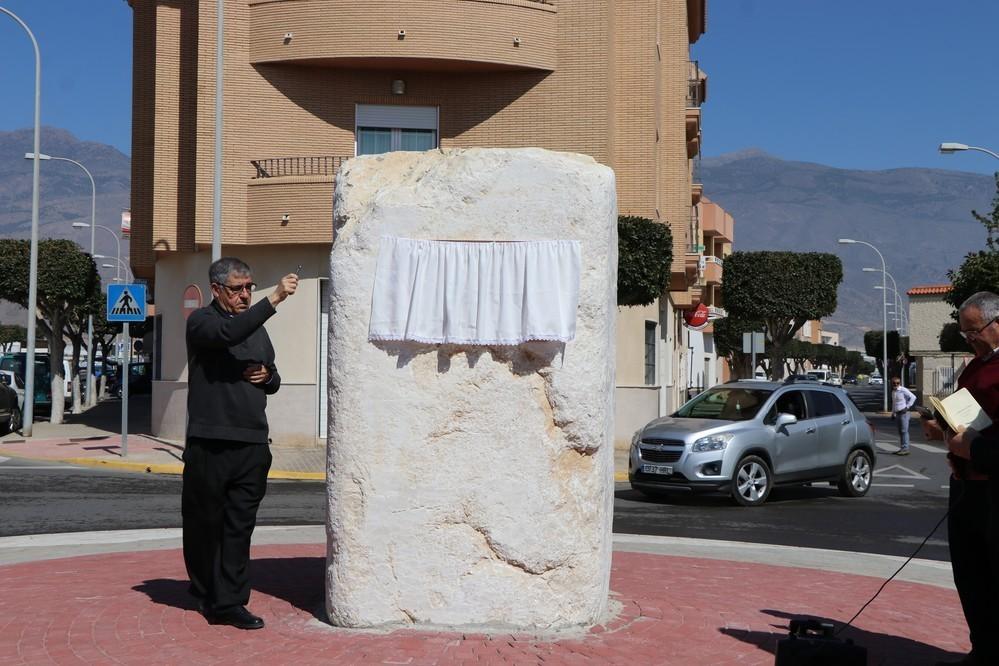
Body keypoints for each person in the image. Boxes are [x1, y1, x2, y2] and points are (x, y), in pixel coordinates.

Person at [182, 257, 298, 630]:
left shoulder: (257, 329)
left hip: (251, 445)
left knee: (238, 527)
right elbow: (228, 335)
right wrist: (275, 298)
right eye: (237, 289)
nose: (246, 295)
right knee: (204, 525)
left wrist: (268, 377)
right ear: (217, 290)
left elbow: (273, 373)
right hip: (211, 443)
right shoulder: (202, 322)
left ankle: (230, 602)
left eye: (250, 287)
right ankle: (205, 591)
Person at [930, 291, 999, 666]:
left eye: (975, 331)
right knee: (971, 576)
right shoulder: (973, 367)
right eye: (965, 334)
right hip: (967, 487)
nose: (970, 339)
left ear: (997, 323)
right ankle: (982, 650)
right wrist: (940, 426)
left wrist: (973, 448)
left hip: (994, 487)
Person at [891, 376, 917, 455]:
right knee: (900, 432)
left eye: (898, 383)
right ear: (892, 383)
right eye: (894, 383)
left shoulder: (903, 390)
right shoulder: (893, 392)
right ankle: (902, 448)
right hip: (898, 413)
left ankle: (906, 449)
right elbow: (894, 403)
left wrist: (907, 406)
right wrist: (893, 413)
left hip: (904, 413)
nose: (896, 384)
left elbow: (913, 397)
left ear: (900, 383)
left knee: (904, 431)